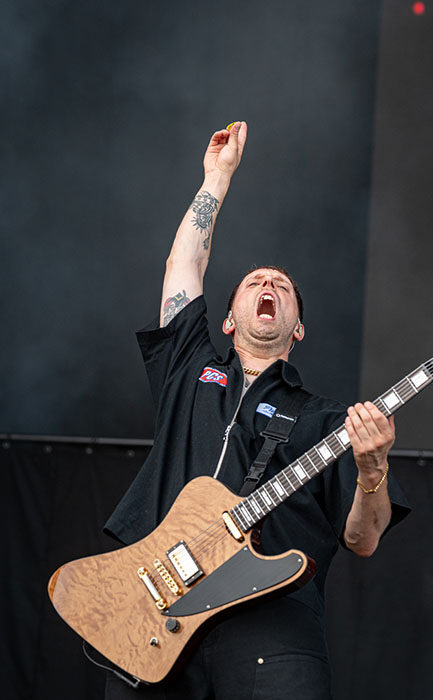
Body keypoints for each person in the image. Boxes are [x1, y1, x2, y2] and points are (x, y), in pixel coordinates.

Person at [103, 122, 410, 699]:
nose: (269, 283)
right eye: (254, 282)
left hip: (272, 629)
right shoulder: (191, 369)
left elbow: (363, 539)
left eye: (282, 286)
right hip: (155, 615)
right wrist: (215, 179)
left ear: (298, 328)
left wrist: (373, 471)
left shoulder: (327, 421)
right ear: (227, 319)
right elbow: (183, 267)